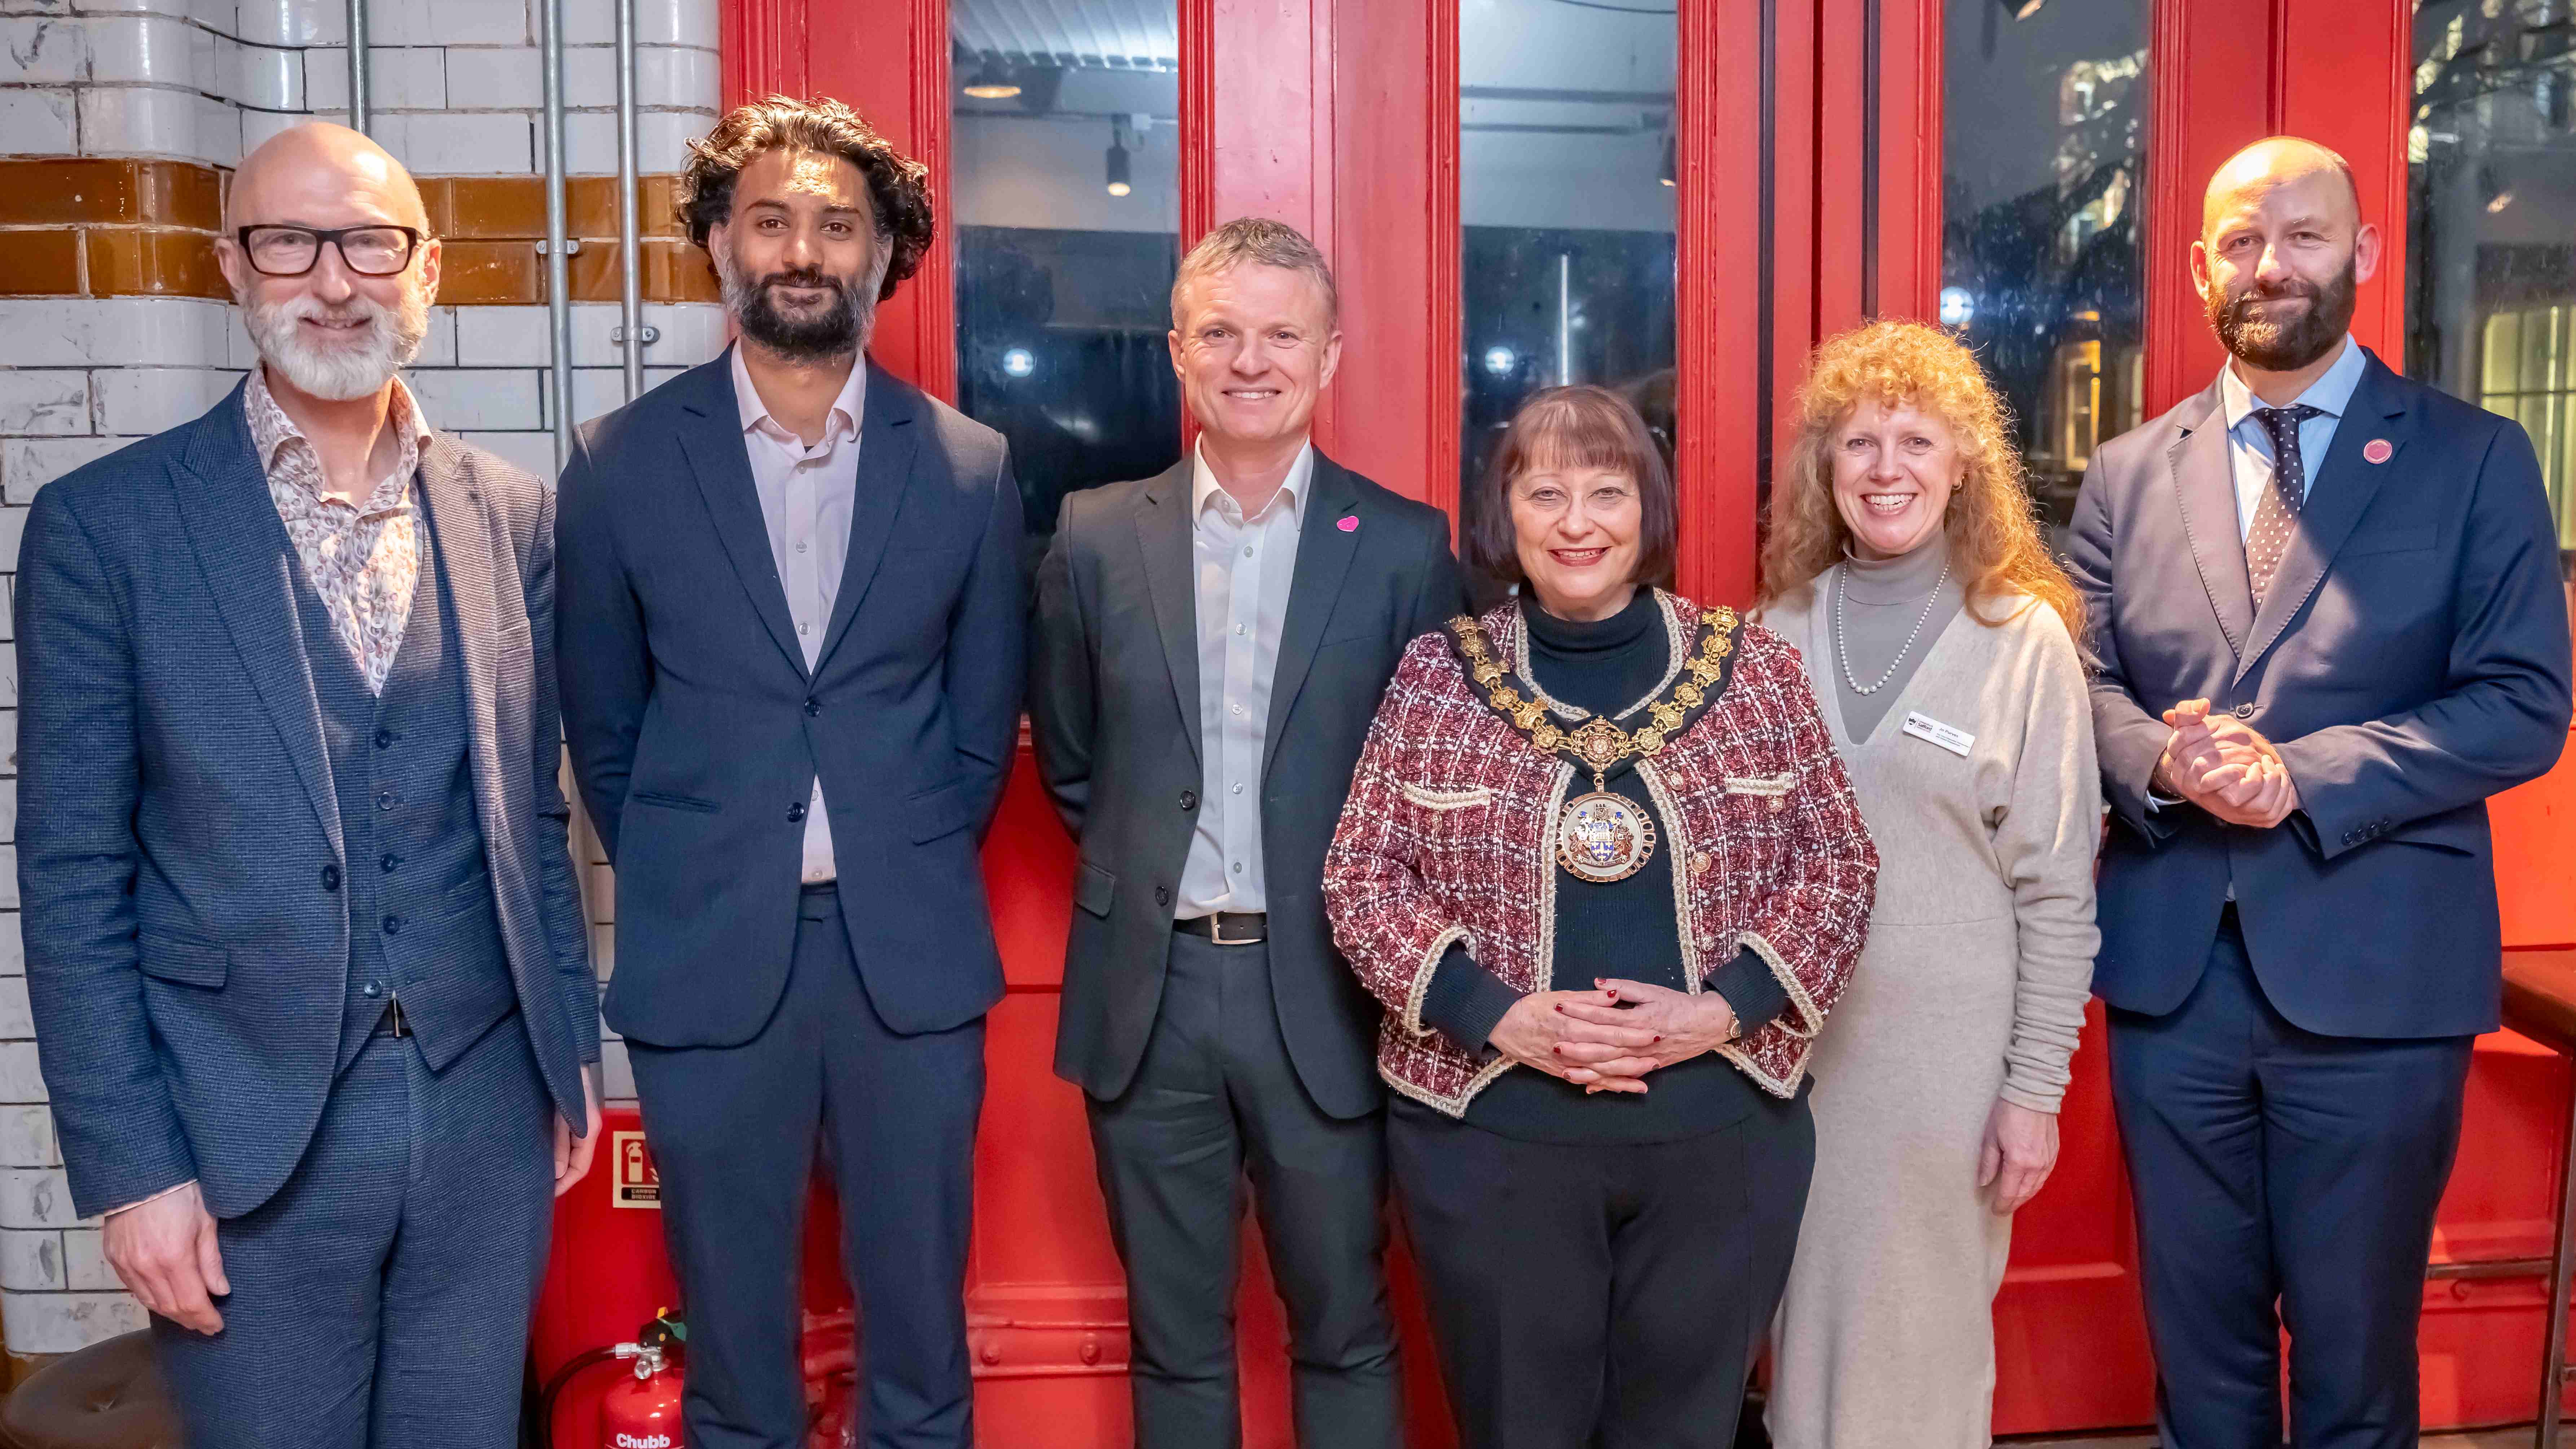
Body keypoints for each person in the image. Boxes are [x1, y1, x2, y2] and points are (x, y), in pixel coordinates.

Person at [13, 122, 602, 1448]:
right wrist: (132, 1170)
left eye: (370, 244)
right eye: (289, 241)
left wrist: (564, 1057)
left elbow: (532, 814)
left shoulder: (511, 512)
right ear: (233, 265)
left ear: (428, 271)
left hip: (483, 1120)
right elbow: (68, 881)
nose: (332, 280)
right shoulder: (108, 527)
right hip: (239, 1145)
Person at [2067, 136, 2573, 1447]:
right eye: (2240, 241)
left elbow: (2524, 702)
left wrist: (2300, 774)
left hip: (2379, 978)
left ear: (2364, 251)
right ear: (2197, 269)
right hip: (2173, 978)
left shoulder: (2474, 458)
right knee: (2202, 1364)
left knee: (2355, 1370)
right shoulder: (2127, 473)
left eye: (2301, 235)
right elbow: (2079, 688)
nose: (2269, 265)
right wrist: (2166, 760)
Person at [555, 97, 1023, 1449]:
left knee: (922, 1347)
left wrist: (893, 848)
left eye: (839, 224)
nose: (803, 248)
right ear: (719, 245)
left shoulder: (971, 468)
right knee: (737, 1356)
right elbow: (608, 734)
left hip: (910, 965)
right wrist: (710, 867)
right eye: (771, 219)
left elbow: (981, 729)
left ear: (888, 256)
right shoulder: (620, 464)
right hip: (709, 957)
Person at [1321, 385, 1877, 1449]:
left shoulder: (1751, 665)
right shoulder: (1439, 673)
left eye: (1608, 491)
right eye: (1548, 492)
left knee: (1684, 1430)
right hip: (1492, 1141)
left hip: (1719, 1140)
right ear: (1506, 514)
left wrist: (1721, 1011)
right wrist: (1496, 1013)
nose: (1579, 520)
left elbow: (1840, 865)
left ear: (1647, 509)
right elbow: (1362, 877)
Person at [1027, 217, 1460, 1449]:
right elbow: (1072, 760)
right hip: (1148, 995)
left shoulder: (1403, 547)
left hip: (1328, 989)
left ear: (1330, 357)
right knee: (1177, 1342)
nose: (1251, 359)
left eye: (1283, 333)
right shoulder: (1099, 534)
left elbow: (1439, 780)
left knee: (1346, 1326)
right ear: (1178, 351)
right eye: (1221, 332)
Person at [1754, 321, 2100, 1448]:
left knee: (1922, 1348)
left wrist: (2032, 1089)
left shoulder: (2022, 637)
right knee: (1802, 1340)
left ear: (1965, 463)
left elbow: (2058, 890)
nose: (1887, 466)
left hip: (1945, 1072)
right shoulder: (1774, 633)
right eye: (1859, 442)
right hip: (1785, 1060)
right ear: (1827, 468)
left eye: (1917, 439)